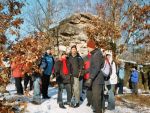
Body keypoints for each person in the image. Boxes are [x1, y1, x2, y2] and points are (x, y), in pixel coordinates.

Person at [85, 39, 105, 113]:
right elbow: (92, 67)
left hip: (97, 80)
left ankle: (98, 111)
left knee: (97, 98)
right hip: (96, 79)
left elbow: (96, 68)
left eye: (88, 47)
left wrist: (90, 78)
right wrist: (85, 71)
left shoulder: (97, 54)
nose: (87, 48)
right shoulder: (95, 54)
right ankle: (98, 110)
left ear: (91, 47)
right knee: (96, 97)